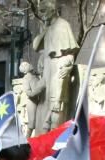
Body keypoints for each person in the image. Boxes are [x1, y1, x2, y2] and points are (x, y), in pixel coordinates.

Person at [32, 0, 78, 132]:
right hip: (48, 67)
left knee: (57, 103)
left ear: (52, 10)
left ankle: (54, 134)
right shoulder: (48, 28)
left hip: (59, 66)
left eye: (44, 10)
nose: (43, 14)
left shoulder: (63, 25)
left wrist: (68, 66)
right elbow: (36, 46)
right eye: (41, 11)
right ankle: (43, 136)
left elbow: (70, 53)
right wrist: (45, 30)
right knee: (45, 103)